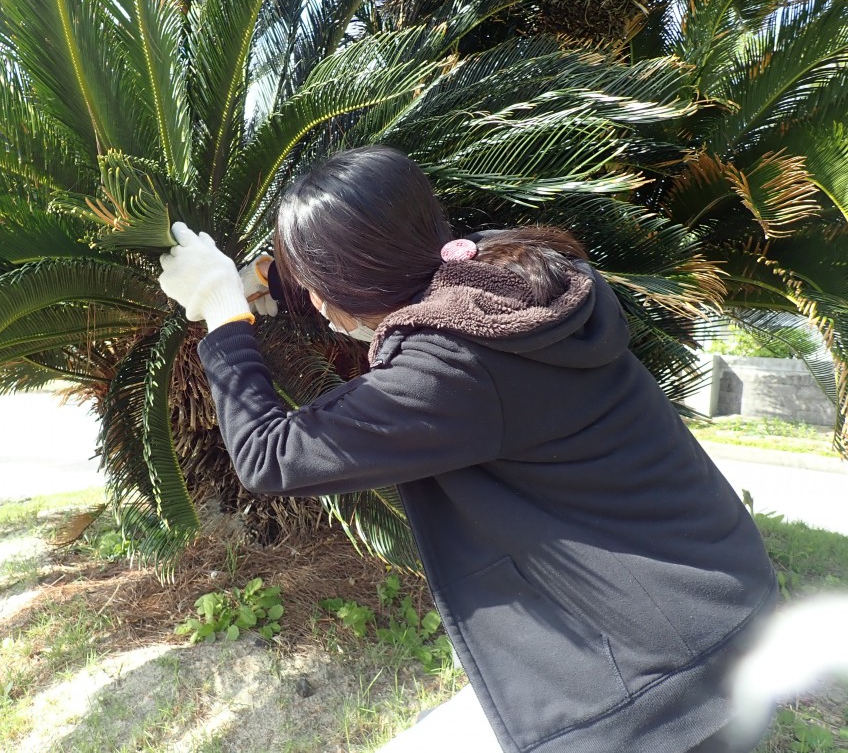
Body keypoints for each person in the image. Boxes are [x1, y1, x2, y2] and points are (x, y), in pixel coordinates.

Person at [157, 145, 778, 753]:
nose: (315, 304)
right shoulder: (506, 272)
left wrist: (223, 312)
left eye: (317, 286)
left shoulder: (450, 370)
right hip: (713, 593)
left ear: (351, 278)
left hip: (669, 669)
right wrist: (273, 277)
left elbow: (269, 454)